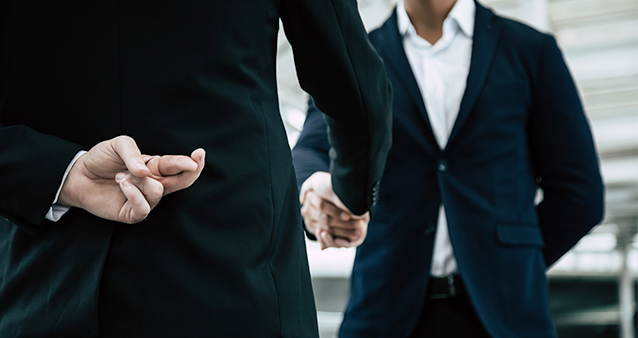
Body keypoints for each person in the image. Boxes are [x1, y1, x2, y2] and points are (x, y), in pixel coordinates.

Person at [0, 1, 393, 337]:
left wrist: (63, 174)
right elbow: (354, 86)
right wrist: (349, 192)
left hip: (41, 293)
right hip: (236, 288)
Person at [292, 0, 605, 336]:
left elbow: (579, 194)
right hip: (385, 310)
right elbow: (311, 148)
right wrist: (312, 188)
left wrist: (512, 262)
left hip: (504, 317)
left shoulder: (530, 51)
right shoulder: (358, 55)